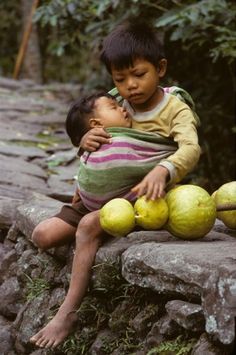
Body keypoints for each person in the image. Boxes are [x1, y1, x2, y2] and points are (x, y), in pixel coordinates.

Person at [30, 20, 201, 349]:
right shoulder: (115, 102)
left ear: (160, 68)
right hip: (96, 194)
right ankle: (89, 225)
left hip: (143, 196)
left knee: (90, 227)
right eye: (120, 79)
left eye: (139, 74)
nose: (130, 87)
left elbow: (191, 148)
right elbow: (90, 127)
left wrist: (164, 170)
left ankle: (68, 312)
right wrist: (84, 139)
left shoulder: (174, 108)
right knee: (43, 235)